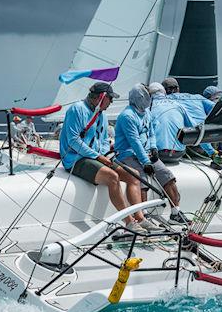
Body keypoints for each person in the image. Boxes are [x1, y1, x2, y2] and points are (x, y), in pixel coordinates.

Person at [59, 82, 155, 235]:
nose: (111, 102)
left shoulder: (101, 114)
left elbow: (104, 140)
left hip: (97, 157)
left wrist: (103, 154)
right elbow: (73, 140)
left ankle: (141, 218)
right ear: (101, 98)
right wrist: (98, 156)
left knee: (134, 176)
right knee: (112, 177)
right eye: (110, 99)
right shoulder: (76, 109)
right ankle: (129, 222)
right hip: (76, 159)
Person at [114, 84, 186, 223]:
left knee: (167, 175)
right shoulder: (127, 116)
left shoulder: (147, 112)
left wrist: (153, 148)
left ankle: (175, 212)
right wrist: (145, 162)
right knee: (141, 176)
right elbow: (134, 141)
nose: (150, 98)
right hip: (127, 153)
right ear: (140, 98)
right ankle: (143, 214)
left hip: (146, 152)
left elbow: (151, 132)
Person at [162, 77, 217, 158]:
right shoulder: (198, 97)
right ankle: (215, 155)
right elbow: (217, 109)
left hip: (190, 142)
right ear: (178, 88)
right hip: (212, 138)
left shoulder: (164, 101)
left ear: (164, 91)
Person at [148, 82, 189, 163]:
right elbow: (193, 127)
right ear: (164, 92)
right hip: (179, 154)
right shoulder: (178, 105)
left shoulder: (149, 108)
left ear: (149, 95)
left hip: (158, 155)